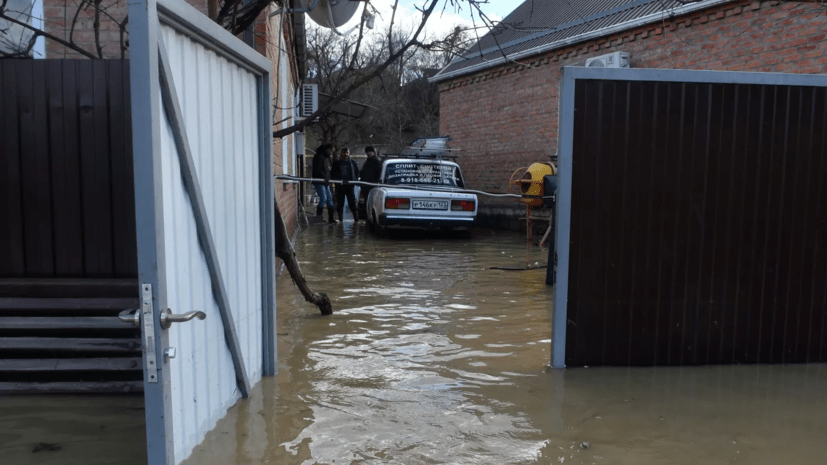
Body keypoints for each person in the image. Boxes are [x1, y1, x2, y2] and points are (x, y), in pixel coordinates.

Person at [331, 147, 360, 222]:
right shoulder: (337, 163)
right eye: (344, 152)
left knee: (352, 203)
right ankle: (340, 220)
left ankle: (356, 219)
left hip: (350, 186)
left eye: (347, 152)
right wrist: (336, 182)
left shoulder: (352, 162)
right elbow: (333, 173)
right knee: (340, 203)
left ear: (349, 153)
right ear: (341, 153)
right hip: (340, 186)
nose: (345, 154)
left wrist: (354, 181)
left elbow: (357, 172)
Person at [311, 143, 336, 223]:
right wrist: (326, 178)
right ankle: (319, 218)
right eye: (330, 150)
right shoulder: (319, 157)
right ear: (326, 149)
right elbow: (318, 170)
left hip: (325, 181)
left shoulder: (324, 158)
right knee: (324, 198)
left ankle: (330, 219)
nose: (331, 152)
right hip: (320, 181)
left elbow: (325, 171)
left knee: (329, 200)